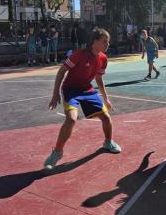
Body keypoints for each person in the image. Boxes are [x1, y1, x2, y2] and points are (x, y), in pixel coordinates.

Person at [44, 27, 121, 169]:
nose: (107, 44)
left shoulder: (103, 59)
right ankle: (57, 152)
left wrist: (106, 98)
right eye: (105, 41)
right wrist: (55, 94)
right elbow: (61, 72)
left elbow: (98, 79)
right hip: (70, 90)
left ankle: (108, 142)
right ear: (95, 41)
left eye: (108, 42)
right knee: (71, 119)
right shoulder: (78, 55)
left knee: (106, 117)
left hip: (87, 90)